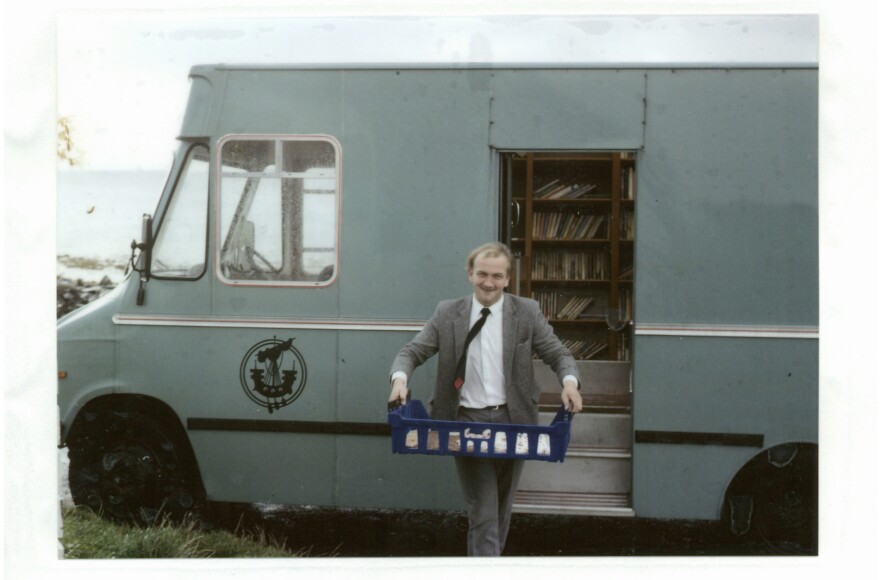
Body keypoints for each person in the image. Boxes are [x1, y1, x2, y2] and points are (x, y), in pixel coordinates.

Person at [388, 242, 583, 556]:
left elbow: (557, 353)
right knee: (484, 511)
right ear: (470, 274)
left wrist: (570, 383)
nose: (488, 282)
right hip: (465, 422)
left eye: (497, 276)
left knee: (500, 511)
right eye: (482, 274)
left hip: (514, 420)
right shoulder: (448, 312)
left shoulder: (527, 312)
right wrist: (400, 380)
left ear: (507, 279)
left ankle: (485, 566)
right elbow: (413, 351)